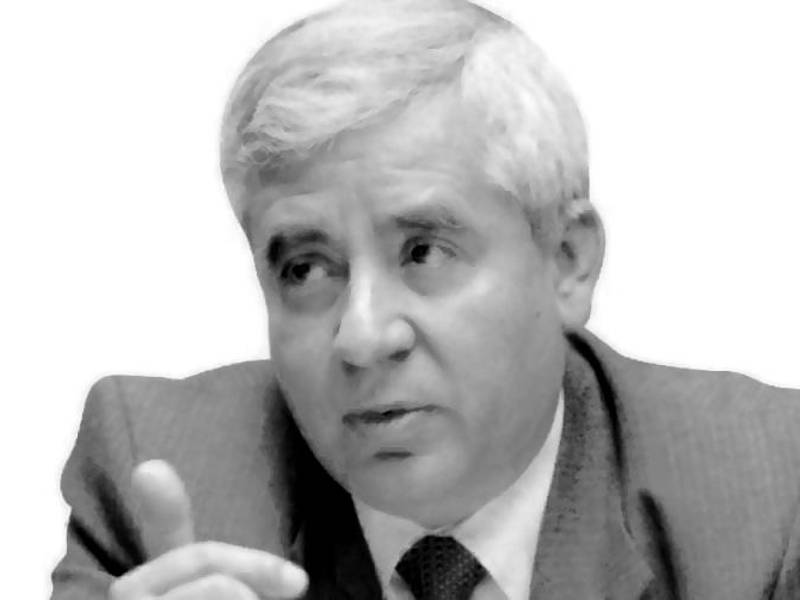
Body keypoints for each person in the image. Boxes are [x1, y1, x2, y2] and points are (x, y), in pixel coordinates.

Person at [50, 0, 800, 598]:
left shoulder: (770, 501)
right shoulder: (163, 483)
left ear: (567, 264)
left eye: (424, 252)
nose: (362, 336)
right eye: (307, 270)